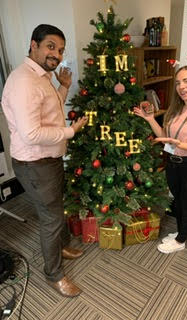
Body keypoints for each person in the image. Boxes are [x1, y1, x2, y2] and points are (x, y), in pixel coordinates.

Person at [2, 24, 88, 297]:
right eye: (51, 46)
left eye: (60, 50)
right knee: (50, 218)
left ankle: (61, 246)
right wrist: (70, 131)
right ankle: (54, 274)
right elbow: (31, 134)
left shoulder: (42, 77)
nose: (57, 54)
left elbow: (50, 111)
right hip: (35, 164)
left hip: (48, 160)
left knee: (55, 209)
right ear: (34, 44)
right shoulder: (24, 81)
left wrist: (62, 88)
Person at [134, 64, 187, 254]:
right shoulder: (176, 110)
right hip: (173, 166)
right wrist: (149, 119)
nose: (182, 86)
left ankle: (181, 240)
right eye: (178, 83)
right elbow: (166, 137)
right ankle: (182, 231)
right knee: (179, 203)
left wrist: (180, 144)